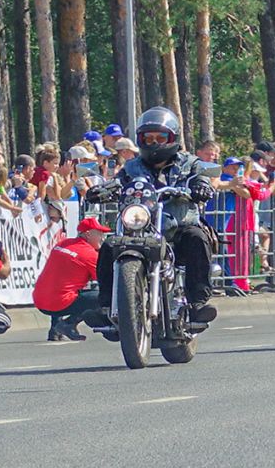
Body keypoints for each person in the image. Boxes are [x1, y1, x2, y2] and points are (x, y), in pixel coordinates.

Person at [87, 106, 218, 328]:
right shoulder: (132, 166)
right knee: (110, 246)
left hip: (178, 228)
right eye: (148, 138)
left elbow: (202, 178)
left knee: (198, 237)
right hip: (141, 227)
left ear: (173, 138)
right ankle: (107, 307)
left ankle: (198, 303)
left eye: (160, 137)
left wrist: (201, 188)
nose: (154, 143)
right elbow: (119, 181)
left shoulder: (190, 163)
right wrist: (102, 189)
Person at [33, 217, 110, 340]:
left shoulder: (62, 244)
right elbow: (106, 281)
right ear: (88, 234)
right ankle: (69, 323)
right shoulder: (90, 254)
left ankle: (55, 330)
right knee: (103, 297)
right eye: (100, 233)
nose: (102, 237)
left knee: (64, 288)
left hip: (39, 300)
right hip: (58, 303)